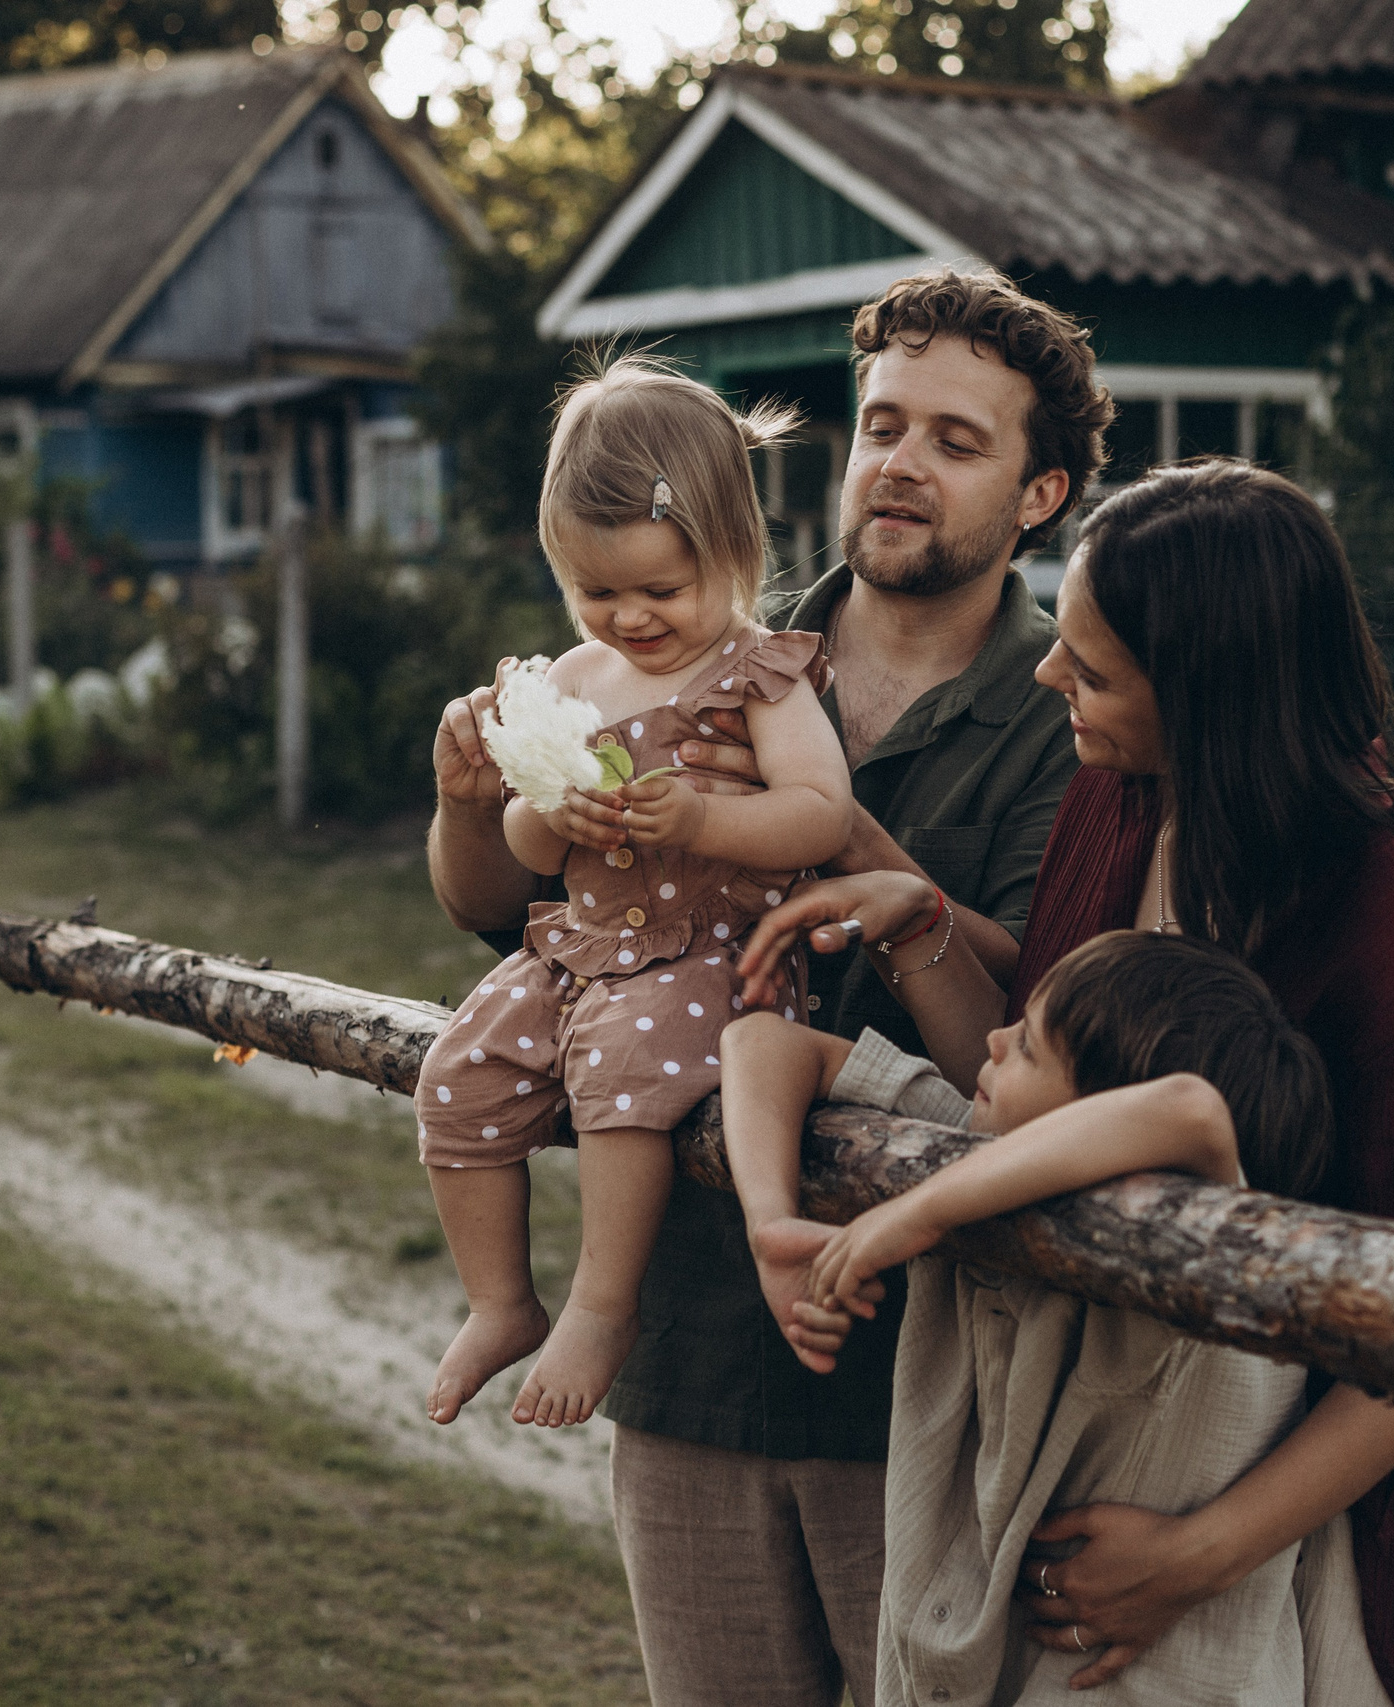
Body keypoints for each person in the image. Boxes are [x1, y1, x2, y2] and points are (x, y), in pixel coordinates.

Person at [740, 459, 1394, 1707]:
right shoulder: (1121, 799)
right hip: (1068, 1438)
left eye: (1093, 666)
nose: (1046, 676)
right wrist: (923, 929)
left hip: (1262, 1510)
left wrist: (1194, 1557)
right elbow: (1028, 1082)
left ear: (1211, 696)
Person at [425, 267, 1103, 1706]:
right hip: (683, 1338)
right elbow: (513, 914)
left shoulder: (1072, 717)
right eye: (881, 424)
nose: (900, 464)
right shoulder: (687, 646)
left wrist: (847, 839)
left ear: (1040, 494)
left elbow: (1038, 1046)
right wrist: (475, 801)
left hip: (921, 1374)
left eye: (956, 441)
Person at [719, 929, 1389, 1704]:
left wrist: (915, 1214)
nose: (994, 1039)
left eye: (1030, 1045)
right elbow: (764, 1041)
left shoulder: (1199, 1257)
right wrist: (772, 1227)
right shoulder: (984, 1150)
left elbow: (1192, 1111)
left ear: (1106, 1106)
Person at [415, 358, 855, 1429]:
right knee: (456, 1073)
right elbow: (523, 846)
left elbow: (820, 814)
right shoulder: (569, 681)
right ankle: (500, 1299)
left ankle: (603, 1306)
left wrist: (705, 818)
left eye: (661, 590)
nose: (630, 618)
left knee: (621, 1072)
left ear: (735, 551)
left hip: (714, 957)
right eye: (597, 593)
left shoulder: (760, 675)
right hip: (581, 948)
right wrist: (540, 812)